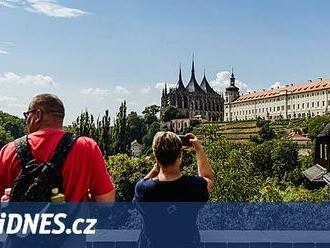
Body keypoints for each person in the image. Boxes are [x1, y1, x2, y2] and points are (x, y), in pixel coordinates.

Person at [0, 93, 115, 202]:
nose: (26, 120)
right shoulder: (87, 147)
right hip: (74, 222)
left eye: (27, 115)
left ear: (38, 115)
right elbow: (106, 200)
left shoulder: (8, 151)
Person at [133, 131, 214, 248]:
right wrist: (199, 150)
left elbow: (140, 189)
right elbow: (208, 178)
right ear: (179, 156)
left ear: (155, 156)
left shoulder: (144, 189)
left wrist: (156, 169)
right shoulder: (193, 186)